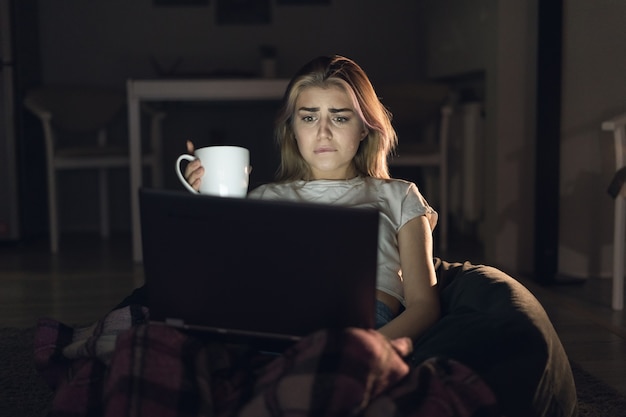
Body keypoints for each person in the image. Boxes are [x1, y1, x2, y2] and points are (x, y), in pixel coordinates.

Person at [184, 55, 440, 341]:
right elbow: (218, 284)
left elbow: (424, 306)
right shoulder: (263, 198)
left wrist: (375, 349)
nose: (323, 133)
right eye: (308, 117)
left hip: (362, 327)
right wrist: (207, 208)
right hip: (275, 321)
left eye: (340, 117)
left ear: (365, 127)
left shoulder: (399, 195)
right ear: (293, 129)